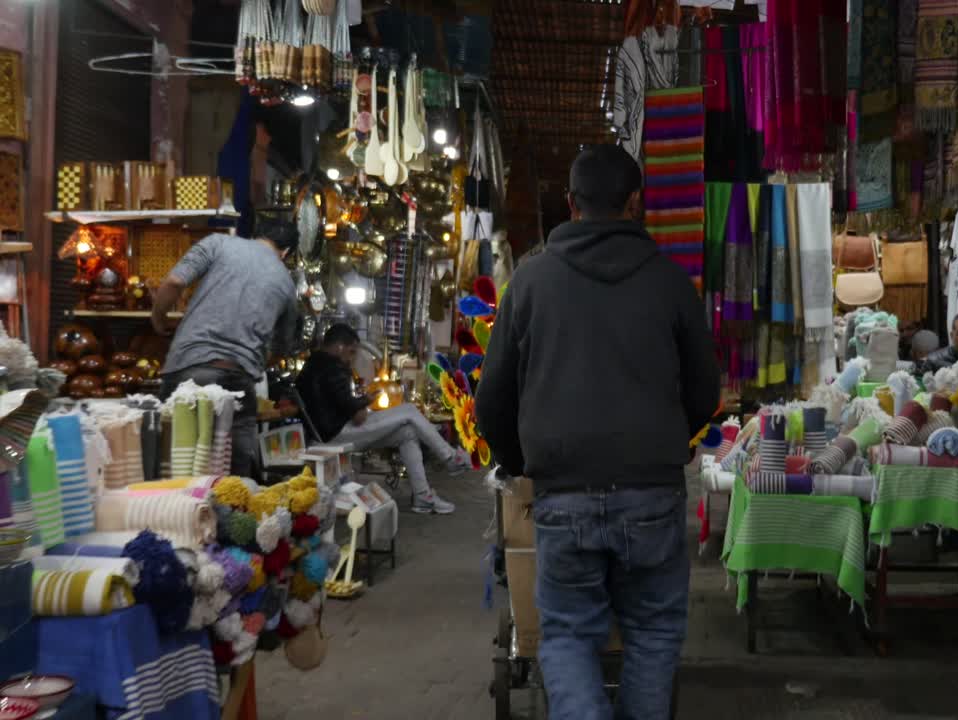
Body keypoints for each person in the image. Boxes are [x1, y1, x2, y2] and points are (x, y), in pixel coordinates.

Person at [476, 144, 720, 720]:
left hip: (562, 492)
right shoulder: (670, 283)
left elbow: (491, 403)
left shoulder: (530, 282)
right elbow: (705, 394)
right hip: (653, 493)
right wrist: (661, 440)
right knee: (654, 632)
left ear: (570, 204)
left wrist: (522, 460)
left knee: (565, 636)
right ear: (637, 203)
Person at [155, 219, 300, 478]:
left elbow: (175, 283)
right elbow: (282, 348)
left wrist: (158, 318)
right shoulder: (287, 286)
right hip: (238, 380)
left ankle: (172, 516)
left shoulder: (218, 243)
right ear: (286, 252)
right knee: (233, 478)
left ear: (256, 234)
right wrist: (252, 361)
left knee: (171, 464)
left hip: (189, 368)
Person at [295, 324, 467, 514]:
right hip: (336, 434)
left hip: (325, 432)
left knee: (407, 433)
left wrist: (359, 400)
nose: (352, 359)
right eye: (352, 353)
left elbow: (341, 404)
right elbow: (358, 417)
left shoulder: (312, 364)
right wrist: (366, 400)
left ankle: (423, 496)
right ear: (340, 347)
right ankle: (450, 457)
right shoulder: (335, 367)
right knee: (409, 410)